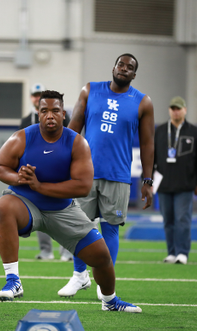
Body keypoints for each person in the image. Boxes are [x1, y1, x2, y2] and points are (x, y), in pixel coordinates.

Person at [0, 90, 141, 313]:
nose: (49, 115)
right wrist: (18, 177)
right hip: (27, 205)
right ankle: (13, 280)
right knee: (3, 206)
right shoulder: (22, 137)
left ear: (63, 113)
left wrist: (40, 186)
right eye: (44, 111)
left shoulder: (76, 143)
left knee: (101, 257)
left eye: (55, 111)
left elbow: (82, 186)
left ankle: (110, 301)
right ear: (38, 113)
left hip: (62, 208)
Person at [59, 53, 155, 298]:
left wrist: (147, 180)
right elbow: (73, 129)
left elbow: (147, 144)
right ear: (113, 67)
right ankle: (79, 276)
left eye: (129, 67)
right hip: (85, 173)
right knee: (78, 228)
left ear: (134, 75)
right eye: (120, 64)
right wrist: (60, 162)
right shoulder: (90, 90)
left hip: (119, 175)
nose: (123, 69)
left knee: (110, 230)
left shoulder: (143, 102)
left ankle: (105, 286)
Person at [19, 83, 73, 261]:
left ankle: (66, 251)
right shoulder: (26, 121)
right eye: (34, 95)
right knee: (40, 211)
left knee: (65, 210)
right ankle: (45, 250)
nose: (36, 98)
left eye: (39, 95)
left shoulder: (63, 117)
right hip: (37, 172)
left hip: (60, 169)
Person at [154, 96, 197, 265]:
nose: (176, 111)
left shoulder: (194, 132)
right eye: (173, 108)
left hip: (185, 184)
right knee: (168, 220)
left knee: (182, 219)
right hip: (164, 184)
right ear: (169, 110)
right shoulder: (160, 131)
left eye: (179, 108)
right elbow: (150, 156)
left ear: (185, 110)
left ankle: (182, 252)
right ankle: (172, 252)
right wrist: (148, 180)